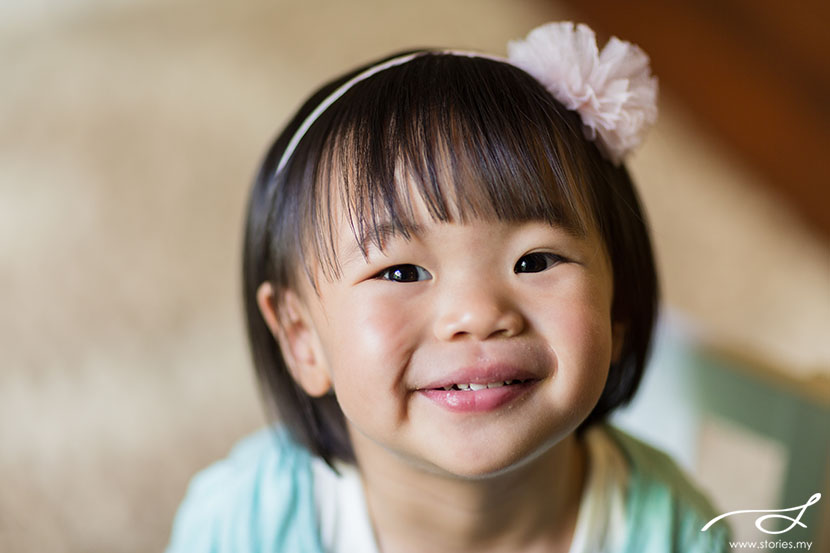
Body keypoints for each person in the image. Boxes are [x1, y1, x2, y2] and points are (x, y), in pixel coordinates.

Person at [166, 22, 730, 553]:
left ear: (618, 310)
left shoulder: (676, 530)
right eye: (401, 272)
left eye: (534, 261)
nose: (478, 313)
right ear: (301, 338)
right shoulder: (245, 523)